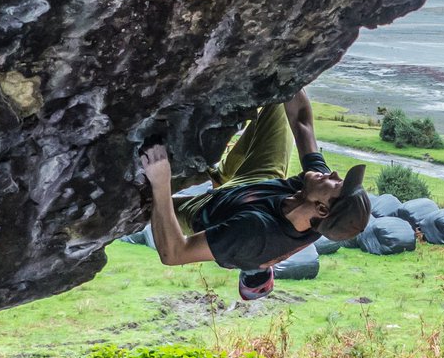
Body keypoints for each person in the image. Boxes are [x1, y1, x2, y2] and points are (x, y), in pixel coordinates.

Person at [128, 90, 371, 300]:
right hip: (257, 184)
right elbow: (301, 122)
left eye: (337, 183)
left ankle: (216, 179)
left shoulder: (254, 237)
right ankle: (221, 176)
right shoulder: (317, 188)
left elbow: (174, 254)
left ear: (322, 209)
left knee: (141, 203)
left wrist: (161, 183)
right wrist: (292, 72)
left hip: (208, 211)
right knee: (278, 99)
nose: (334, 173)